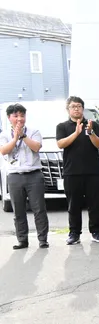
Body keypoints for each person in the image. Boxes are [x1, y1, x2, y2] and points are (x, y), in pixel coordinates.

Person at [56, 96, 99, 245]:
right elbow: (60, 144)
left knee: (94, 203)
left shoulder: (93, 124)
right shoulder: (62, 126)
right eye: (73, 106)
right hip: (72, 172)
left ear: (83, 108)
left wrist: (90, 132)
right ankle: (74, 233)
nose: (76, 109)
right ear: (68, 109)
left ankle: (96, 231)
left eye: (79, 106)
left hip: (92, 171)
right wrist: (76, 133)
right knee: (73, 204)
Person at [1, 103, 48, 249]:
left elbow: (36, 147)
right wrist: (15, 138)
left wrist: (23, 136)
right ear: (9, 118)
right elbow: (3, 151)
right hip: (15, 175)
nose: (19, 119)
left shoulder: (34, 131)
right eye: (16, 116)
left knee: (39, 209)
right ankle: (22, 240)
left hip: (34, 175)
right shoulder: (4, 135)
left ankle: (42, 240)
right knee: (18, 210)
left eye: (22, 115)